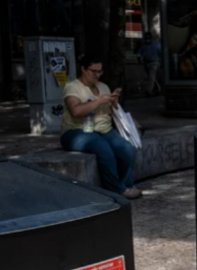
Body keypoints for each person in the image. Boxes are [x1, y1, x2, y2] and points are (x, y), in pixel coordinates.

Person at [61, 55, 142, 200]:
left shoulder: (104, 87)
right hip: (77, 130)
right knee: (103, 149)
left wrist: (115, 102)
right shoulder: (72, 87)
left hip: (103, 129)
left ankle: (125, 184)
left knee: (127, 149)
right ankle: (116, 189)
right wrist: (99, 101)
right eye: (94, 71)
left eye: (100, 72)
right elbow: (76, 111)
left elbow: (111, 112)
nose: (97, 75)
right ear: (83, 69)